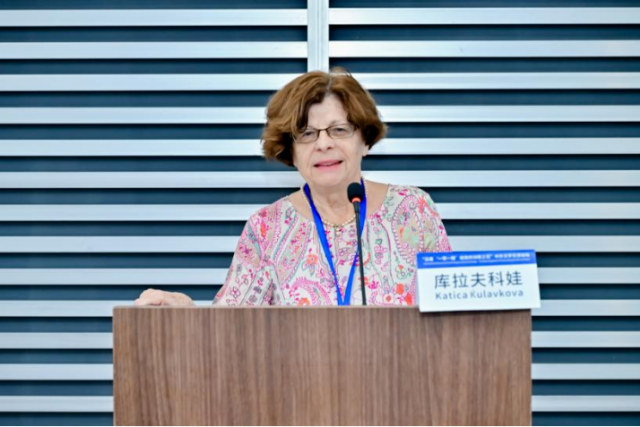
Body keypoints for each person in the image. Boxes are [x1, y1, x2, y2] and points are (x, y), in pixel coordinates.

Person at [135, 68, 451, 307]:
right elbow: (227, 328)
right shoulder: (267, 229)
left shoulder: (413, 210)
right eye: (307, 134)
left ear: (365, 141)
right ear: (291, 151)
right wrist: (185, 310)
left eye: (339, 130)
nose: (323, 144)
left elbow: (448, 316)